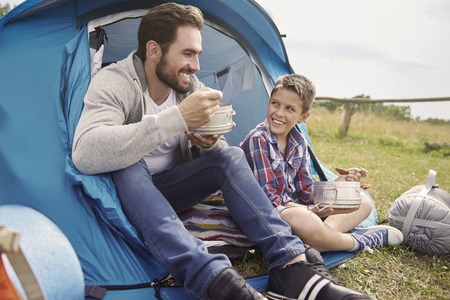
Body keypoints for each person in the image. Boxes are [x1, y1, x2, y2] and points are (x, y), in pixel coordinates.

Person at [72, 3, 374, 300]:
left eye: (198, 54)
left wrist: (207, 145)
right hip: (133, 191)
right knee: (130, 164)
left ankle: (291, 266)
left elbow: (216, 149)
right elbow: (86, 151)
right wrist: (177, 119)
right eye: (187, 54)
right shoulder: (115, 81)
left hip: (174, 187)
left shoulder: (189, 87)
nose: (196, 65)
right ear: (154, 51)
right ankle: (216, 281)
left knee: (229, 156)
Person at [240, 74, 403, 254]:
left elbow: (305, 188)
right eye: (275, 103)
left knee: (362, 202)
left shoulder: (298, 141)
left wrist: (335, 186)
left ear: (303, 117)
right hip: (266, 212)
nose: (279, 113)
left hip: (294, 210)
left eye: (289, 109)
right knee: (304, 218)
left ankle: (321, 239)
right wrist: (313, 211)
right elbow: (270, 201)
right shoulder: (258, 140)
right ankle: (356, 241)